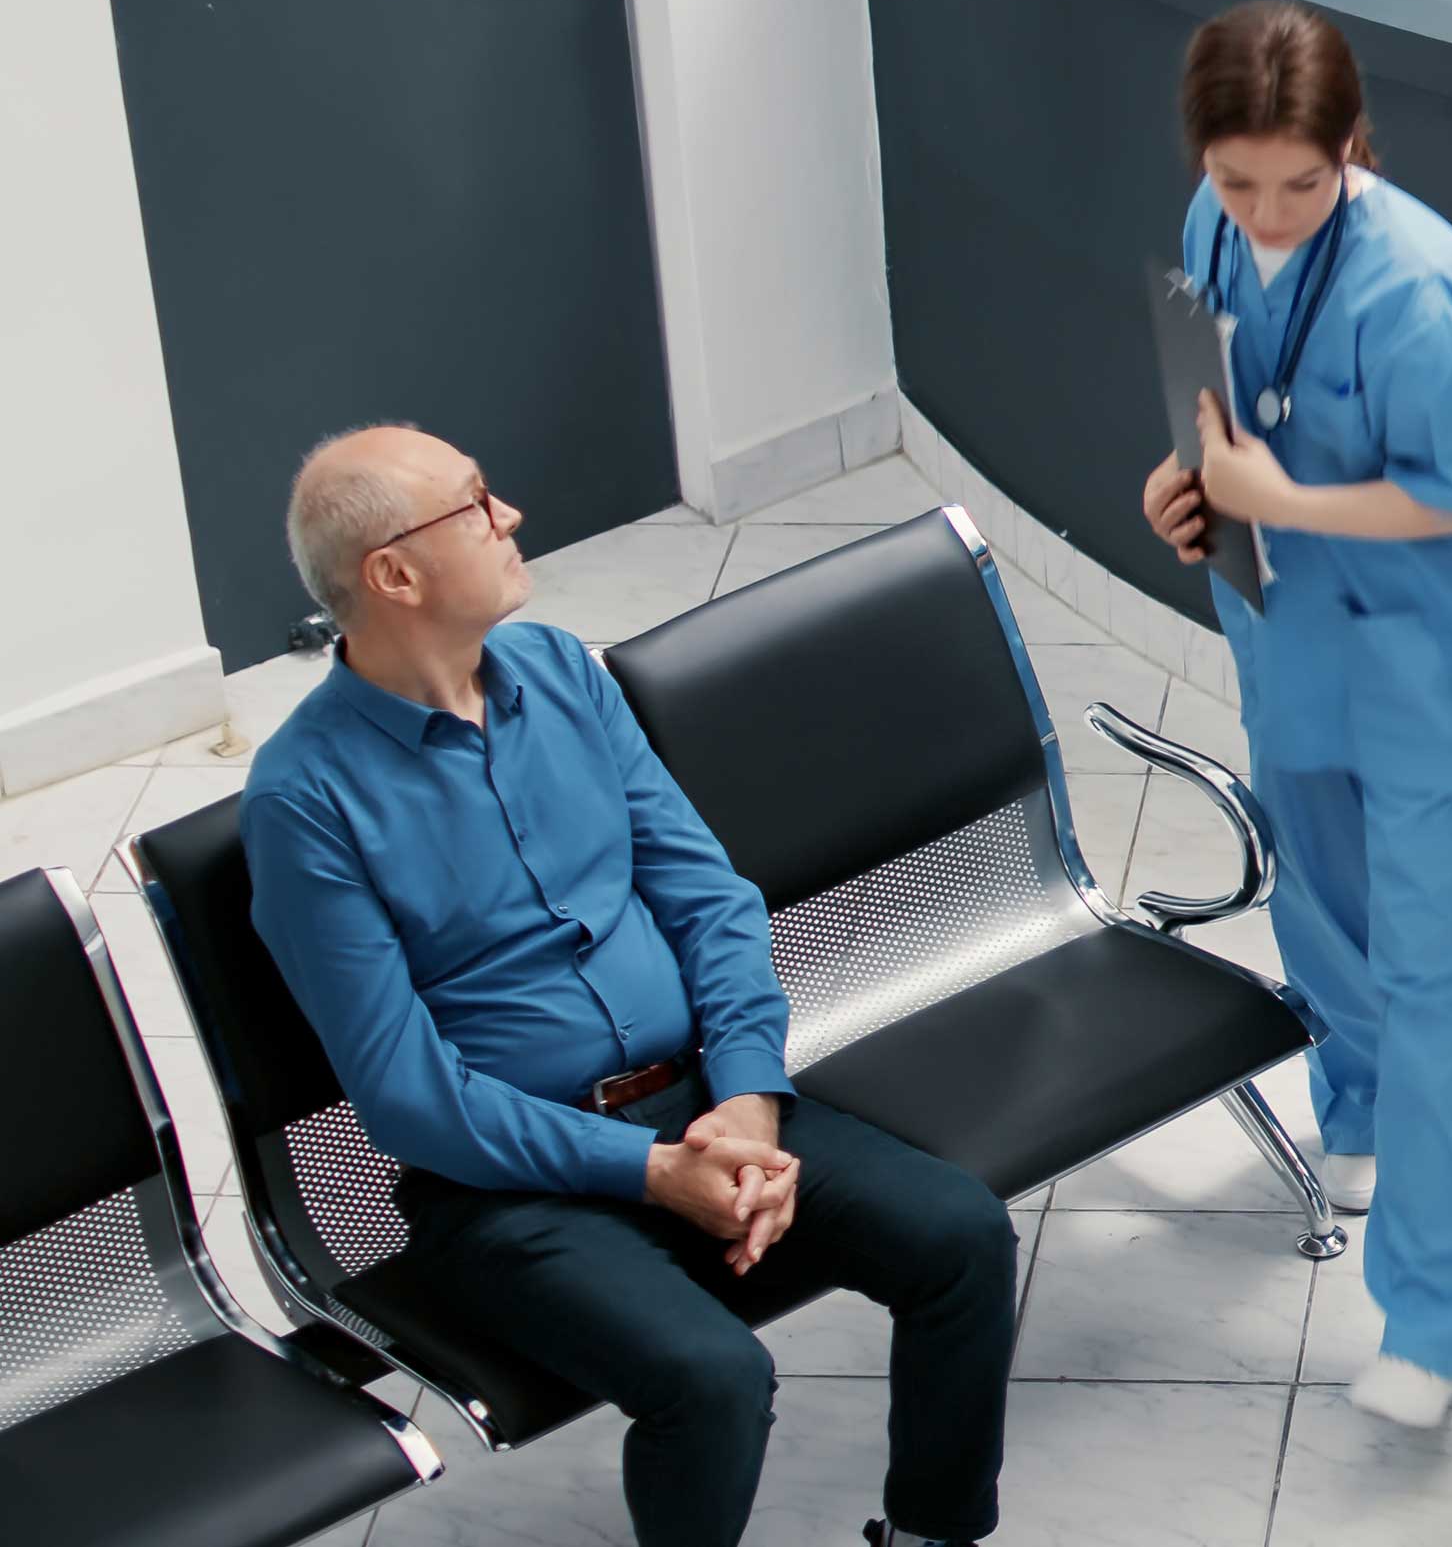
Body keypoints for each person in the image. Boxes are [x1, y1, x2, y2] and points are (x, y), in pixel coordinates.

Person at [246, 427, 1017, 1547]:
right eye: (474, 505)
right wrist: (655, 1175)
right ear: (395, 575)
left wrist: (746, 1100)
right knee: (711, 1379)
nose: (508, 515)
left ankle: (933, 1534)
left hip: (704, 1101)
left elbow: (710, 901)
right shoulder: (304, 799)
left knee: (960, 1237)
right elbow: (408, 1098)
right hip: (507, 1183)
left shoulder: (562, 674)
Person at [1136, 0, 1452, 1430]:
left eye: (1299, 185)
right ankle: (1353, 1109)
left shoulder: (1419, 288)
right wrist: (1183, 490)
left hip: (1435, 659)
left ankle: (1428, 1320)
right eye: (1238, 181)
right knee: (1321, 902)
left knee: (1444, 978)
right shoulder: (1210, 219)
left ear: (1352, 146)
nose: (1263, 213)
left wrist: (1280, 502)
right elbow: (1213, 405)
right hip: (1291, 631)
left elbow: (1449, 494)